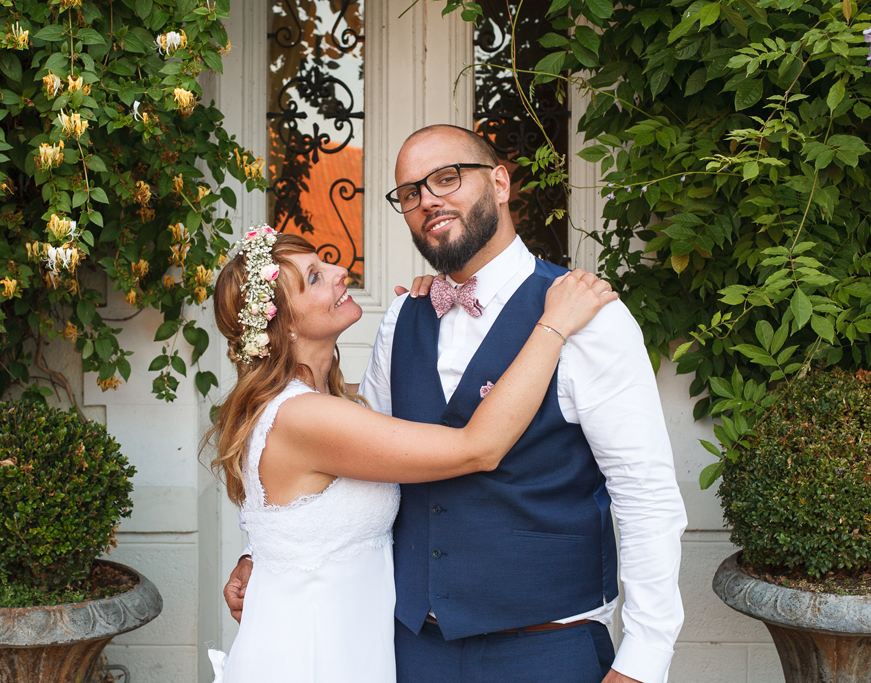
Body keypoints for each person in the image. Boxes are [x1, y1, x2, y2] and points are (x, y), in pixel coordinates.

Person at [224, 124, 688, 683]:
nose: (428, 201)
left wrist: (645, 656)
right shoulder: (401, 319)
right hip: (410, 651)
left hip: (547, 650)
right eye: (411, 193)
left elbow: (645, 492)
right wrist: (268, 553)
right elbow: (346, 471)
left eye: (447, 178)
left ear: (499, 183)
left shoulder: (586, 313)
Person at [206, 223, 617, 683]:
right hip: (314, 654)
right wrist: (554, 325)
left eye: (324, 263)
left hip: (352, 644)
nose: (341, 271)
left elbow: (296, 516)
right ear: (282, 322)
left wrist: (441, 302)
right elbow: (477, 448)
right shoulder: (305, 416)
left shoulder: (324, 405)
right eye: (315, 278)